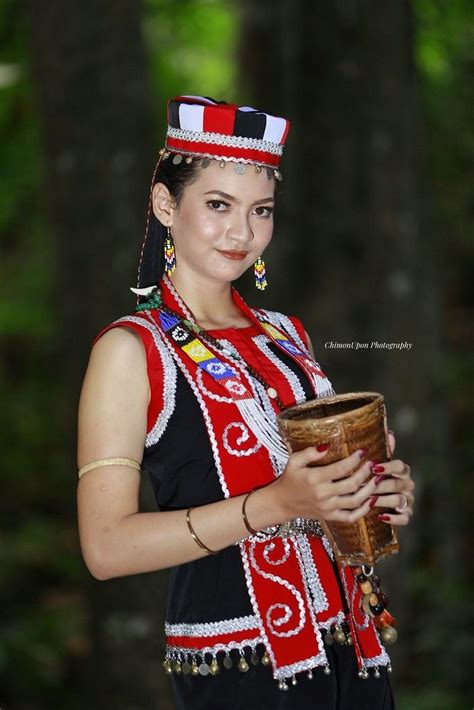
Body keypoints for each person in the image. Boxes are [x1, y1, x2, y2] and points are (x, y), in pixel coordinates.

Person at [76, 95, 415, 710]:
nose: (242, 231)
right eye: (217, 205)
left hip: (355, 654)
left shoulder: (287, 336)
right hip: (242, 668)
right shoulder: (132, 351)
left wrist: (373, 488)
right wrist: (276, 503)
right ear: (164, 204)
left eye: (261, 210)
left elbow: (323, 493)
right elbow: (105, 548)